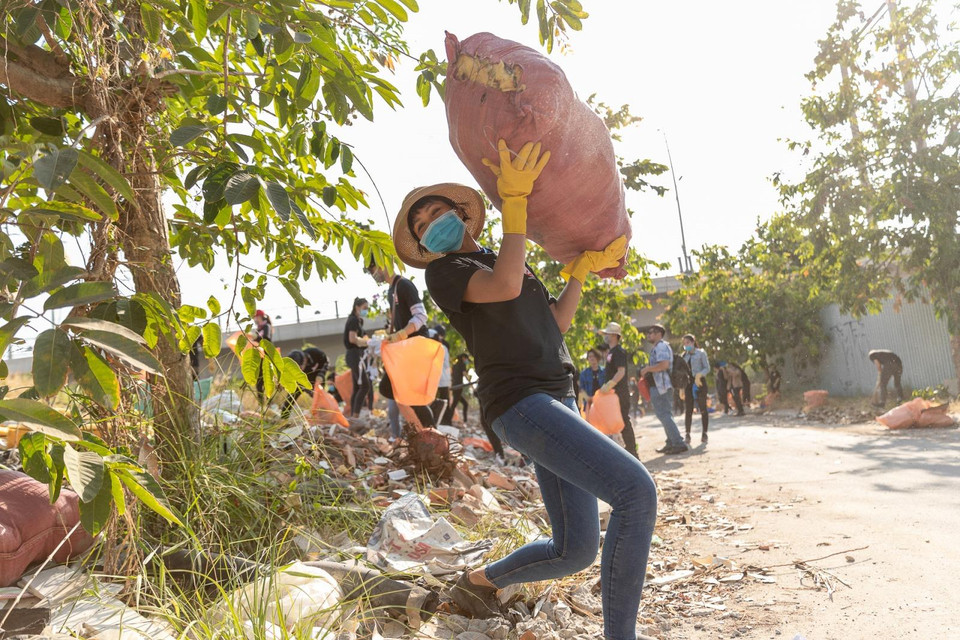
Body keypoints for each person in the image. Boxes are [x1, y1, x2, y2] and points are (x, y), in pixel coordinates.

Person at [393, 139, 656, 639]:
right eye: (422, 226)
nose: (431, 224)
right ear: (425, 246)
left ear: (463, 216)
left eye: (436, 213)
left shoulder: (501, 254)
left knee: (574, 549)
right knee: (636, 492)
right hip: (521, 403)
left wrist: (577, 274)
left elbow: (554, 323)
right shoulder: (445, 273)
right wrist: (515, 205)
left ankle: (477, 582)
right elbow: (505, 286)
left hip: (558, 397)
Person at [366, 259, 435, 434]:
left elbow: (420, 316)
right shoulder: (391, 290)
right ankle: (424, 430)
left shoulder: (404, 285)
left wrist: (402, 333)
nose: (372, 274)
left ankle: (429, 431)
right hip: (405, 348)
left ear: (384, 263)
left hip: (416, 345)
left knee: (397, 389)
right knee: (392, 389)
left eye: (372, 269)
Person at [640, 324, 688, 454]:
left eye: (651, 332)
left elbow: (664, 365)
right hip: (660, 386)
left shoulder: (661, 346)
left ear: (659, 334)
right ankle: (671, 442)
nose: (648, 335)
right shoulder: (658, 347)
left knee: (664, 415)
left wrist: (647, 369)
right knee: (665, 414)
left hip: (661, 386)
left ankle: (678, 442)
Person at [598, 323, 639, 458]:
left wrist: (610, 384)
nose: (606, 337)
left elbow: (621, 371)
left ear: (615, 335)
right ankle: (626, 448)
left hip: (620, 392)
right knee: (617, 421)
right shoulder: (611, 352)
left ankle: (632, 450)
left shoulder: (619, 352)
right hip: (613, 393)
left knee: (624, 420)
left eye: (608, 334)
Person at [343, 297, 372, 417]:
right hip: (353, 354)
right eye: (364, 308)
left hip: (357, 355)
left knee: (357, 388)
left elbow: (364, 337)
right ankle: (355, 416)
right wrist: (366, 342)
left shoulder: (359, 321)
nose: (366, 310)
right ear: (357, 307)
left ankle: (353, 416)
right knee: (365, 385)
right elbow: (352, 339)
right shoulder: (353, 320)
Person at [281, 347, 329, 419]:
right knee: (291, 398)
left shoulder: (315, 353)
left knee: (319, 398)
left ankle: (325, 416)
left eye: (300, 368)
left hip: (316, 379)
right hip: (300, 380)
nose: (299, 370)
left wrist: (321, 374)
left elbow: (326, 362)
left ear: (304, 360)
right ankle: (283, 418)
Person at [681, 334, 711, 445]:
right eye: (684, 344)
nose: (686, 345)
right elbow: (682, 372)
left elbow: (707, 368)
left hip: (700, 382)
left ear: (693, 342)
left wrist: (700, 375)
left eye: (687, 343)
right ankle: (687, 434)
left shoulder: (701, 353)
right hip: (688, 384)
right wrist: (681, 388)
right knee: (688, 409)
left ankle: (705, 433)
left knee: (703, 408)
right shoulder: (684, 356)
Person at [430, 326, 453, 424]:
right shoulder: (443, 347)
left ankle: (436, 423)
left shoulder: (431, 347)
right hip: (444, 381)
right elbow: (447, 366)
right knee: (444, 405)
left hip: (436, 381)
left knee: (435, 404)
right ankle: (446, 424)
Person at [250, 309, 273, 403]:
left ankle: (269, 404)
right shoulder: (258, 329)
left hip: (266, 356)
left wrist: (257, 338)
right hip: (259, 357)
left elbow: (266, 339)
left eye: (256, 317)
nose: (255, 319)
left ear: (260, 317)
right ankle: (261, 404)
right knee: (259, 382)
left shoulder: (266, 327)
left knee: (267, 380)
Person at [577, 348, 605, 412]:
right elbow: (581, 388)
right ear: (588, 359)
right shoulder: (584, 373)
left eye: (594, 356)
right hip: (589, 403)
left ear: (598, 357)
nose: (592, 358)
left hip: (602, 402)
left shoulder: (604, 371)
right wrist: (587, 398)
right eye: (590, 356)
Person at [448, 353, 472, 424]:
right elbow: (465, 375)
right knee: (454, 404)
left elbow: (452, 376)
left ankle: (464, 420)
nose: (467, 360)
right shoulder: (462, 364)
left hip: (454, 386)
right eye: (466, 359)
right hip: (459, 387)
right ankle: (448, 420)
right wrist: (472, 384)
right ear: (463, 358)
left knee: (464, 404)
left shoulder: (454, 365)